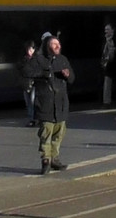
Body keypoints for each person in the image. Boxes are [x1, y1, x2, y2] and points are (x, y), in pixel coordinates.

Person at [22, 33, 75, 174]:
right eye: (54, 44)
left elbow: (72, 78)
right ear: (47, 46)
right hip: (45, 102)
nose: (58, 46)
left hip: (61, 103)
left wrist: (68, 75)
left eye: (59, 44)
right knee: (46, 132)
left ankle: (54, 158)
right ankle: (46, 159)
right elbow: (26, 70)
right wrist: (43, 73)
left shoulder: (63, 59)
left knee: (59, 132)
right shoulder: (39, 59)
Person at [100, 24, 116, 106]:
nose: (106, 31)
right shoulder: (105, 41)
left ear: (112, 30)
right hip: (109, 65)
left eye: (107, 29)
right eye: (105, 29)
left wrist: (115, 49)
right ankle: (106, 102)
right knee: (107, 84)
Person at [19, 40, 37, 127]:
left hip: (33, 83)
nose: (29, 51)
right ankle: (31, 118)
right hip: (26, 83)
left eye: (31, 49)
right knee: (28, 102)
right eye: (28, 50)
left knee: (32, 101)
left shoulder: (36, 59)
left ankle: (32, 118)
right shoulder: (24, 59)